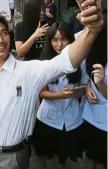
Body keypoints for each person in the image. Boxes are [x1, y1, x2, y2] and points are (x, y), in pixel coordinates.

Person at [0, 0, 103, 169]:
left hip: (16, 157)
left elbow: (66, 61)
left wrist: (92, 31)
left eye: (4, 33)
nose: (0, 39)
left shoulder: (29, 72)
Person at [32, 21, 86, 169]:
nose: (60, 44)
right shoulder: (45, 62)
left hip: (71, 118)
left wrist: (80, 92)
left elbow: (84, 88)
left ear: (70, 40)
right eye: (55, 40)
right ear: (49, 42)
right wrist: (61, 95)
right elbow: (41, 93)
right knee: (46, 157)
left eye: (64, 39)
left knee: (62, 157)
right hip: (48, 119)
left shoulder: (79, 62)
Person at [81, 25, 107, 169]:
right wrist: (87, 87)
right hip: (91, 115)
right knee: (90, 157)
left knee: (102, 160)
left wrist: (101, 84)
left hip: (105, 123)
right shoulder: (94, 53)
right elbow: (86, 77)